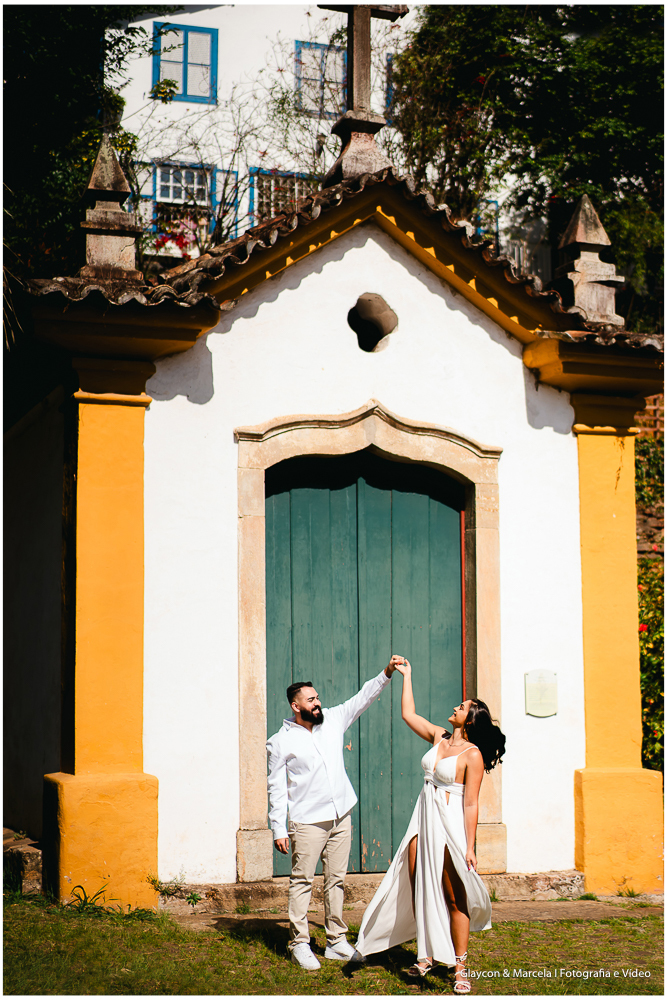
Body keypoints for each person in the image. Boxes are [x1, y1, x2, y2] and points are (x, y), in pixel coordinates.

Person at [354, 658, 506, 994]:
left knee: (454, 897)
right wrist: (406, 676)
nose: (456, 707)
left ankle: (461, 967)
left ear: (470, 719)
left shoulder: (473, 755)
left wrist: (469, 846)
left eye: (462, 706)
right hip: (422, 820)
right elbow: (409, 715)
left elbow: (471, 802)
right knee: (419, 887)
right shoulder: (439, 737)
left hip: (449, 826)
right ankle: (428, 954)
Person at [266, 657, 399, 971]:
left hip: (341, 814)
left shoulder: (334, 720)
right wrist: (278, 828)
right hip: (307, 821)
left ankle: (336, 941)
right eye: (311, 700)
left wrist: (387, 673)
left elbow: (363, 697)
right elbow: (276, 788)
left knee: (336, 880)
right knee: (302, 881)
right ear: (296, 706)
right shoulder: (280, 742)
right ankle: (299, 943)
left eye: (317, 697)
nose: (317, 703)